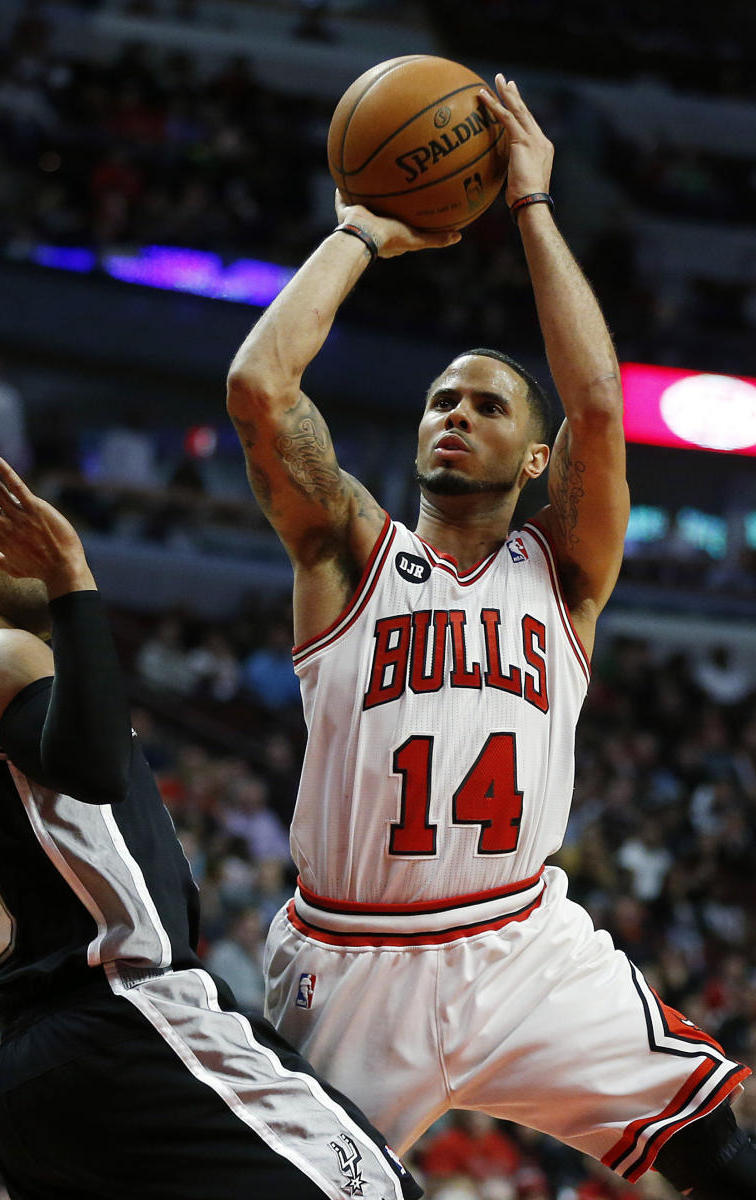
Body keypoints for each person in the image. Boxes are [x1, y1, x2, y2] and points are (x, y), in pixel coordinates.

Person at [225, 75, 755, 1198]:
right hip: (351, 959)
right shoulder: (347, 552)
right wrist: (360, 235)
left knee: (721, 1150)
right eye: (438, 401)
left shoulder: (560, 575)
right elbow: (261, 388)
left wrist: (532, 205)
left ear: (533, 461)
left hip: (523, 943)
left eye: (487, 405)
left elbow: (600, 406)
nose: (454, 413)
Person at [0, 454, 419, 1200]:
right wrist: (71, 575)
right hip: (126, 1012)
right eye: (6, 530)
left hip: (28, 1080)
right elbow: (93, 767)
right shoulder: (2, 654)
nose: (40, 534)